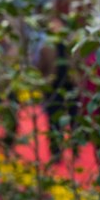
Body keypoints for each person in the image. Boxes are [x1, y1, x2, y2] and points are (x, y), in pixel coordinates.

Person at [37, 16, 78, 164]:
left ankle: (75, 149)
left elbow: (79, 64)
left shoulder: (72, 44)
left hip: (71, 88)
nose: (54, 27)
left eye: (57, 24)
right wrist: (44, 82)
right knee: (54, 122)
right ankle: (56, 153)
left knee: (75, 121)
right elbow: (40, 68)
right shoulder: (46, 47)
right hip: (53, 89)